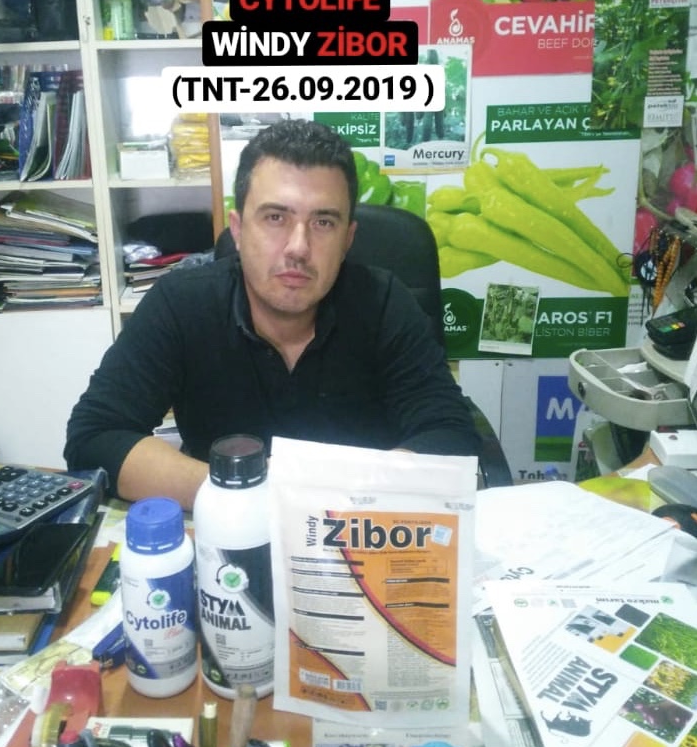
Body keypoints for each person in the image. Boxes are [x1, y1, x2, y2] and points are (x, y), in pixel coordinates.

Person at [64, 119, 481, 507]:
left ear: (348, 238)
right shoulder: (181, 303)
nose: (298, 247)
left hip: (359, 531)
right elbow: (94, 438)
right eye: (276, 217)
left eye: (323, 222)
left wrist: (340, 500)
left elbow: (451, 438)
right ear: (238, 229)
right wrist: (246, 494)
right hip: (229, 527)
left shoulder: (385, 302)